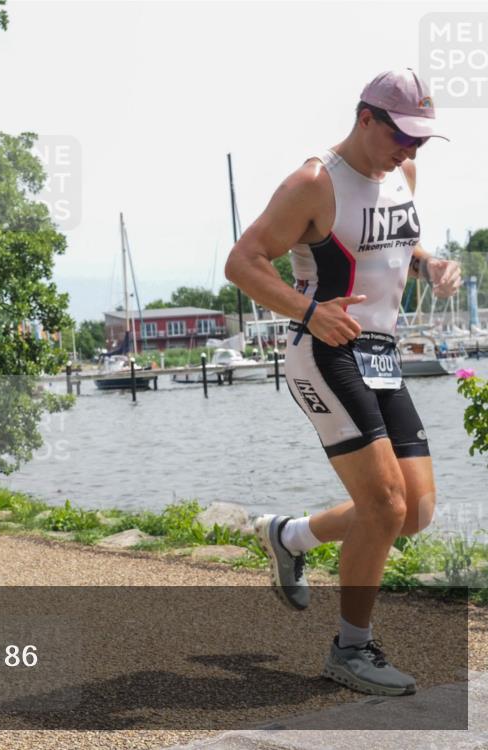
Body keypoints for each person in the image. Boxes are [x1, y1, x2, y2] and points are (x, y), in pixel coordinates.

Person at [225, 69, 462, 697]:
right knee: (384, 504)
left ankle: (289, 536)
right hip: (324, 352)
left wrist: (431, 261)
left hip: (381, 352)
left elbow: (392, 240)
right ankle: (350, 650)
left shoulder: (401, 175)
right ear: (366, 119)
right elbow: (241, 261)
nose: (410, 151)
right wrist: (307, 311)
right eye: (402, 136)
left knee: (415, 511)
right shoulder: (314, 182)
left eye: (420, 141)